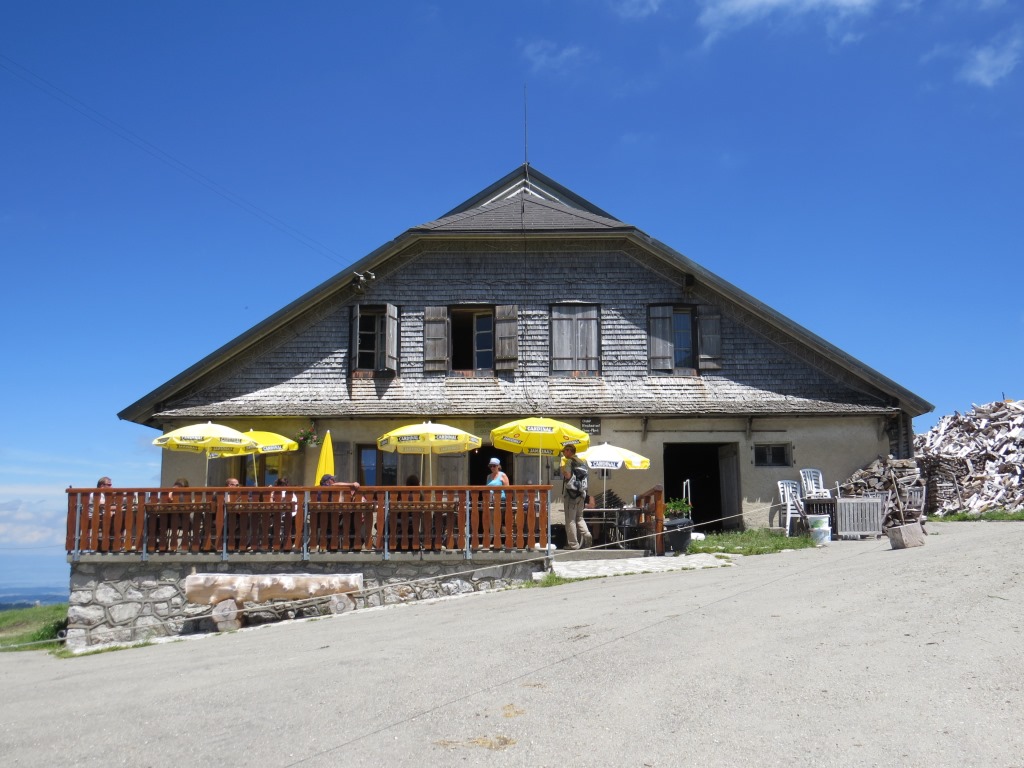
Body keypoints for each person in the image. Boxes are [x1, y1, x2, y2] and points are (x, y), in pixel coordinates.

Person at [560, 445, 592, 549]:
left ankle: (573, 544)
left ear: (569, 451)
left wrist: (563, 470)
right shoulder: (582, 462)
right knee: (579, 517)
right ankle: (587, 533)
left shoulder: (569, 461)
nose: (563, 453)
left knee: (570, 520)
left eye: (564, 451)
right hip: (581, 494)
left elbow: (568, 475)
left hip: (571, 495)